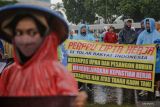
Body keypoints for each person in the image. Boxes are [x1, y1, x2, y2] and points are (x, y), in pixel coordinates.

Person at [0, 4, 87, 107]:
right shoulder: (8, 73)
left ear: (46, 36)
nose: (24, 40)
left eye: (32, 32)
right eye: (19, 33)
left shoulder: (59, 75)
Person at [136, 18, 160, 100]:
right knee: (145, 75)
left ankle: (157, 90)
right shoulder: (142, 34)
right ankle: (145, 89)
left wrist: (158, 46)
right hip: (145, 59)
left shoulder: (157, 34)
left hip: (156, 59)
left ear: (152, 24)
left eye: (148, 24)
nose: (147, 25)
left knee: (157, 76)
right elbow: (138, 45)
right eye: (146, 24)